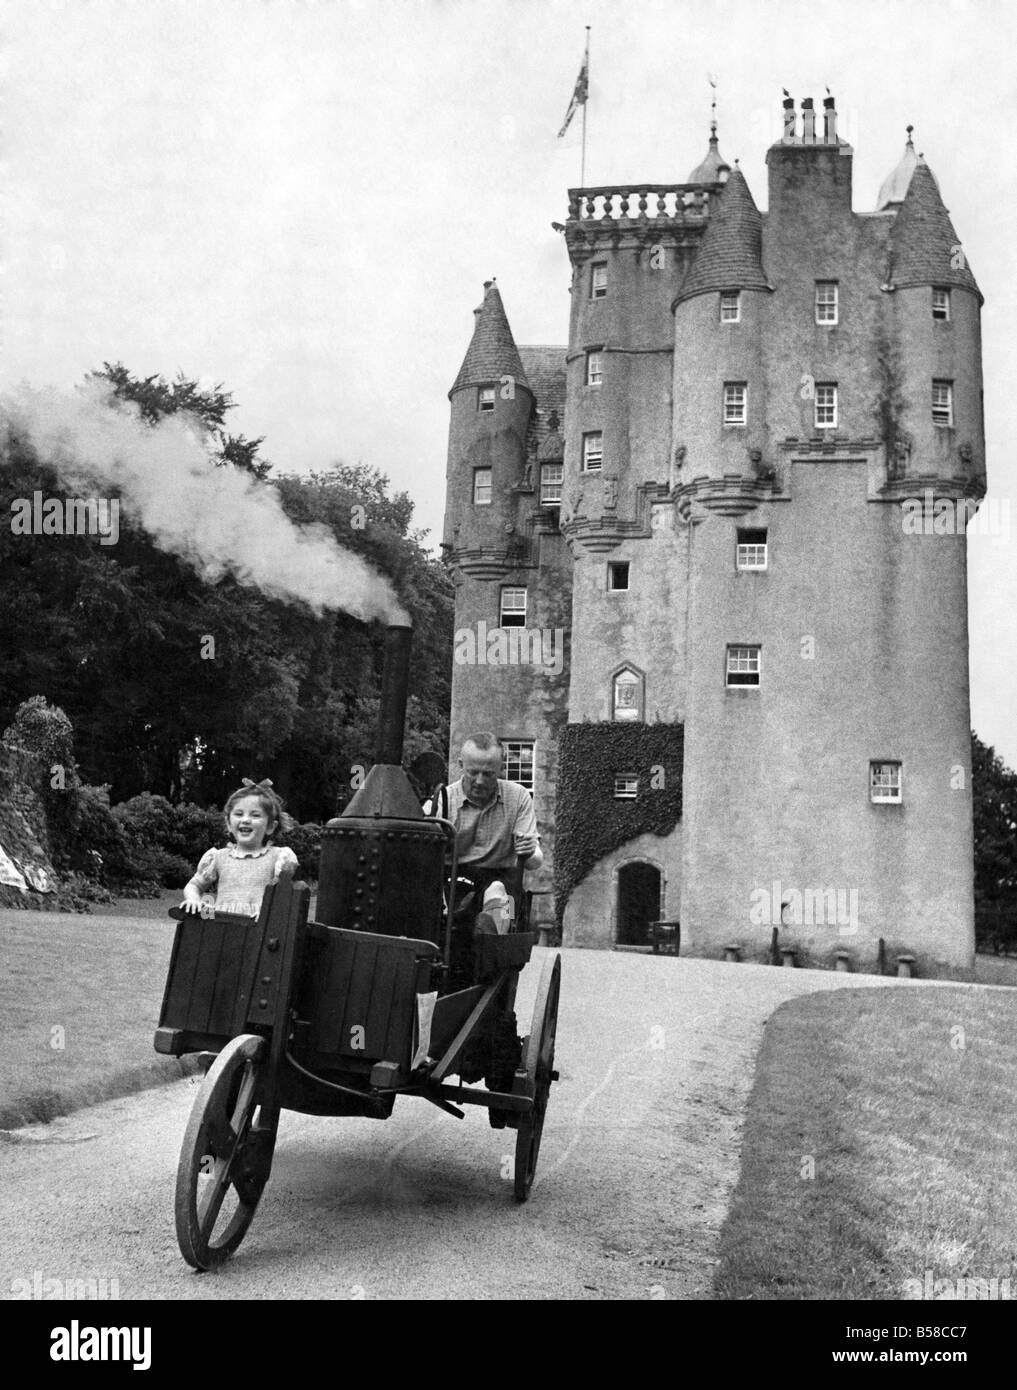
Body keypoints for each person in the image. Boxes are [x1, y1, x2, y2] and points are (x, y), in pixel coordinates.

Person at [432, 733, 542, 986]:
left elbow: (535, 860)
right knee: (453, 909)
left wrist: (528, 849)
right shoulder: (443, 802)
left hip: (505, 882)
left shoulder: (519, 797)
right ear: (460, 766)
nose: (480, 781)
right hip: (456, 879)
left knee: (500, 894)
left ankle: (490, 942)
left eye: (489, 774)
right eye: (473, 772)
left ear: (500, 769)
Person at [181, 778, 298, 918]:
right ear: (229, 823)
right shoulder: (218, 857)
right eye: (239, 814)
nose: (245, 820)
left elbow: (284, 895)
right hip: (221, 928)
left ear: (270, 827)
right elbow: (194, 885)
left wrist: (269, 912)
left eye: (255, 815)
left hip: (258, 928)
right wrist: (194, 900)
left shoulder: (277, 857)